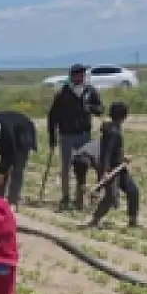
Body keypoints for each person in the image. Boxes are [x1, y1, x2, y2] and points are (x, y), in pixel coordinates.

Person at [48, 63, 104, 211]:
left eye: (83, 73)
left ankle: (79, 198)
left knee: (82, 165)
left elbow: (100, 109)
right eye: (78, 74)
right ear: (72, 76)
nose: (81, 76)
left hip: (84, 134)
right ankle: (65, 196)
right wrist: (52, 136)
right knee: (66, 167)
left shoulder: (90, 91)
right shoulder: (62, 93)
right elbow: (52, 116)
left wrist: (90, 108)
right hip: (66, 135)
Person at [86, 101, 139, 229]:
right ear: (123, 115)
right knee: (110, 197)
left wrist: (123, 157)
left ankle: (133, 221)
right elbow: (107, 152)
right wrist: (105, 171)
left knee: (133, 191)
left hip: (119, 167)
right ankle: (95, 220)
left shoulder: (114, 128)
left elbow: (113, 150)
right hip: (111, 169)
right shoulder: (113, 131)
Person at [0, 111, 37, 208]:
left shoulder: (4, 133)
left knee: (17, 167)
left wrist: (0, 174)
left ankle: (12, 200)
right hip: (13, 130)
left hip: (24, 134)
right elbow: (4, 153)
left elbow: (8, 155)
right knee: (4, 167)